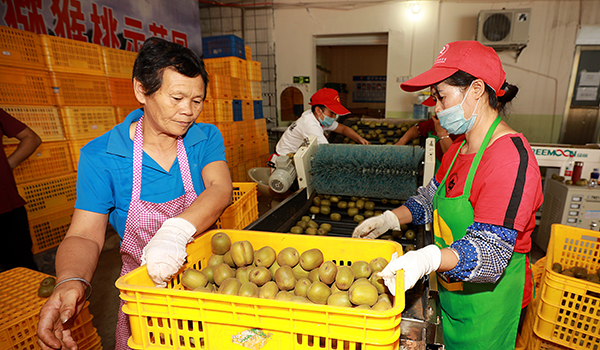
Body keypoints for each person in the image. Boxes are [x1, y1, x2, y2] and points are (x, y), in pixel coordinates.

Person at [37, 37, 233, 350]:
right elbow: (86, 235)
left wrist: (174, 233)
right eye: (177, 98)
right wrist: (71, 279)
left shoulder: (204, 138)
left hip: (209, 280)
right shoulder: (102, 156)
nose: (188, 111)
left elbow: (220, 189)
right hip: (144, 298)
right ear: (141, 90)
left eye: (197, 101)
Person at [353, 41, 543, 350]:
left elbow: (492, 254)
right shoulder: (458, 149)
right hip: (455, 294)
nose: (436, 109)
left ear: (477, 89)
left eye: (441, 97)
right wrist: (390, 219)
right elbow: (431, 199)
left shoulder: (510, 160)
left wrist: (427, 258)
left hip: (490, 308)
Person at [270, 87, 369, 165]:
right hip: (283, 162)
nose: (334, 117)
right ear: (318, 110)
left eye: (336, 114)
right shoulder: (310, 125)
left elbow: (343, 129)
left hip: (294, 159)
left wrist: (359, 139)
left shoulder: (316, 117)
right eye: (332, 113)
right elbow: (327, 152)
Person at [0, 108, 41, 271]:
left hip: (6, 204)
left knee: (21, 267)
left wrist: (6, 166)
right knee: (21, 264)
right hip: (6, 204)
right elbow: (31, 138)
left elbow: (31, 138)